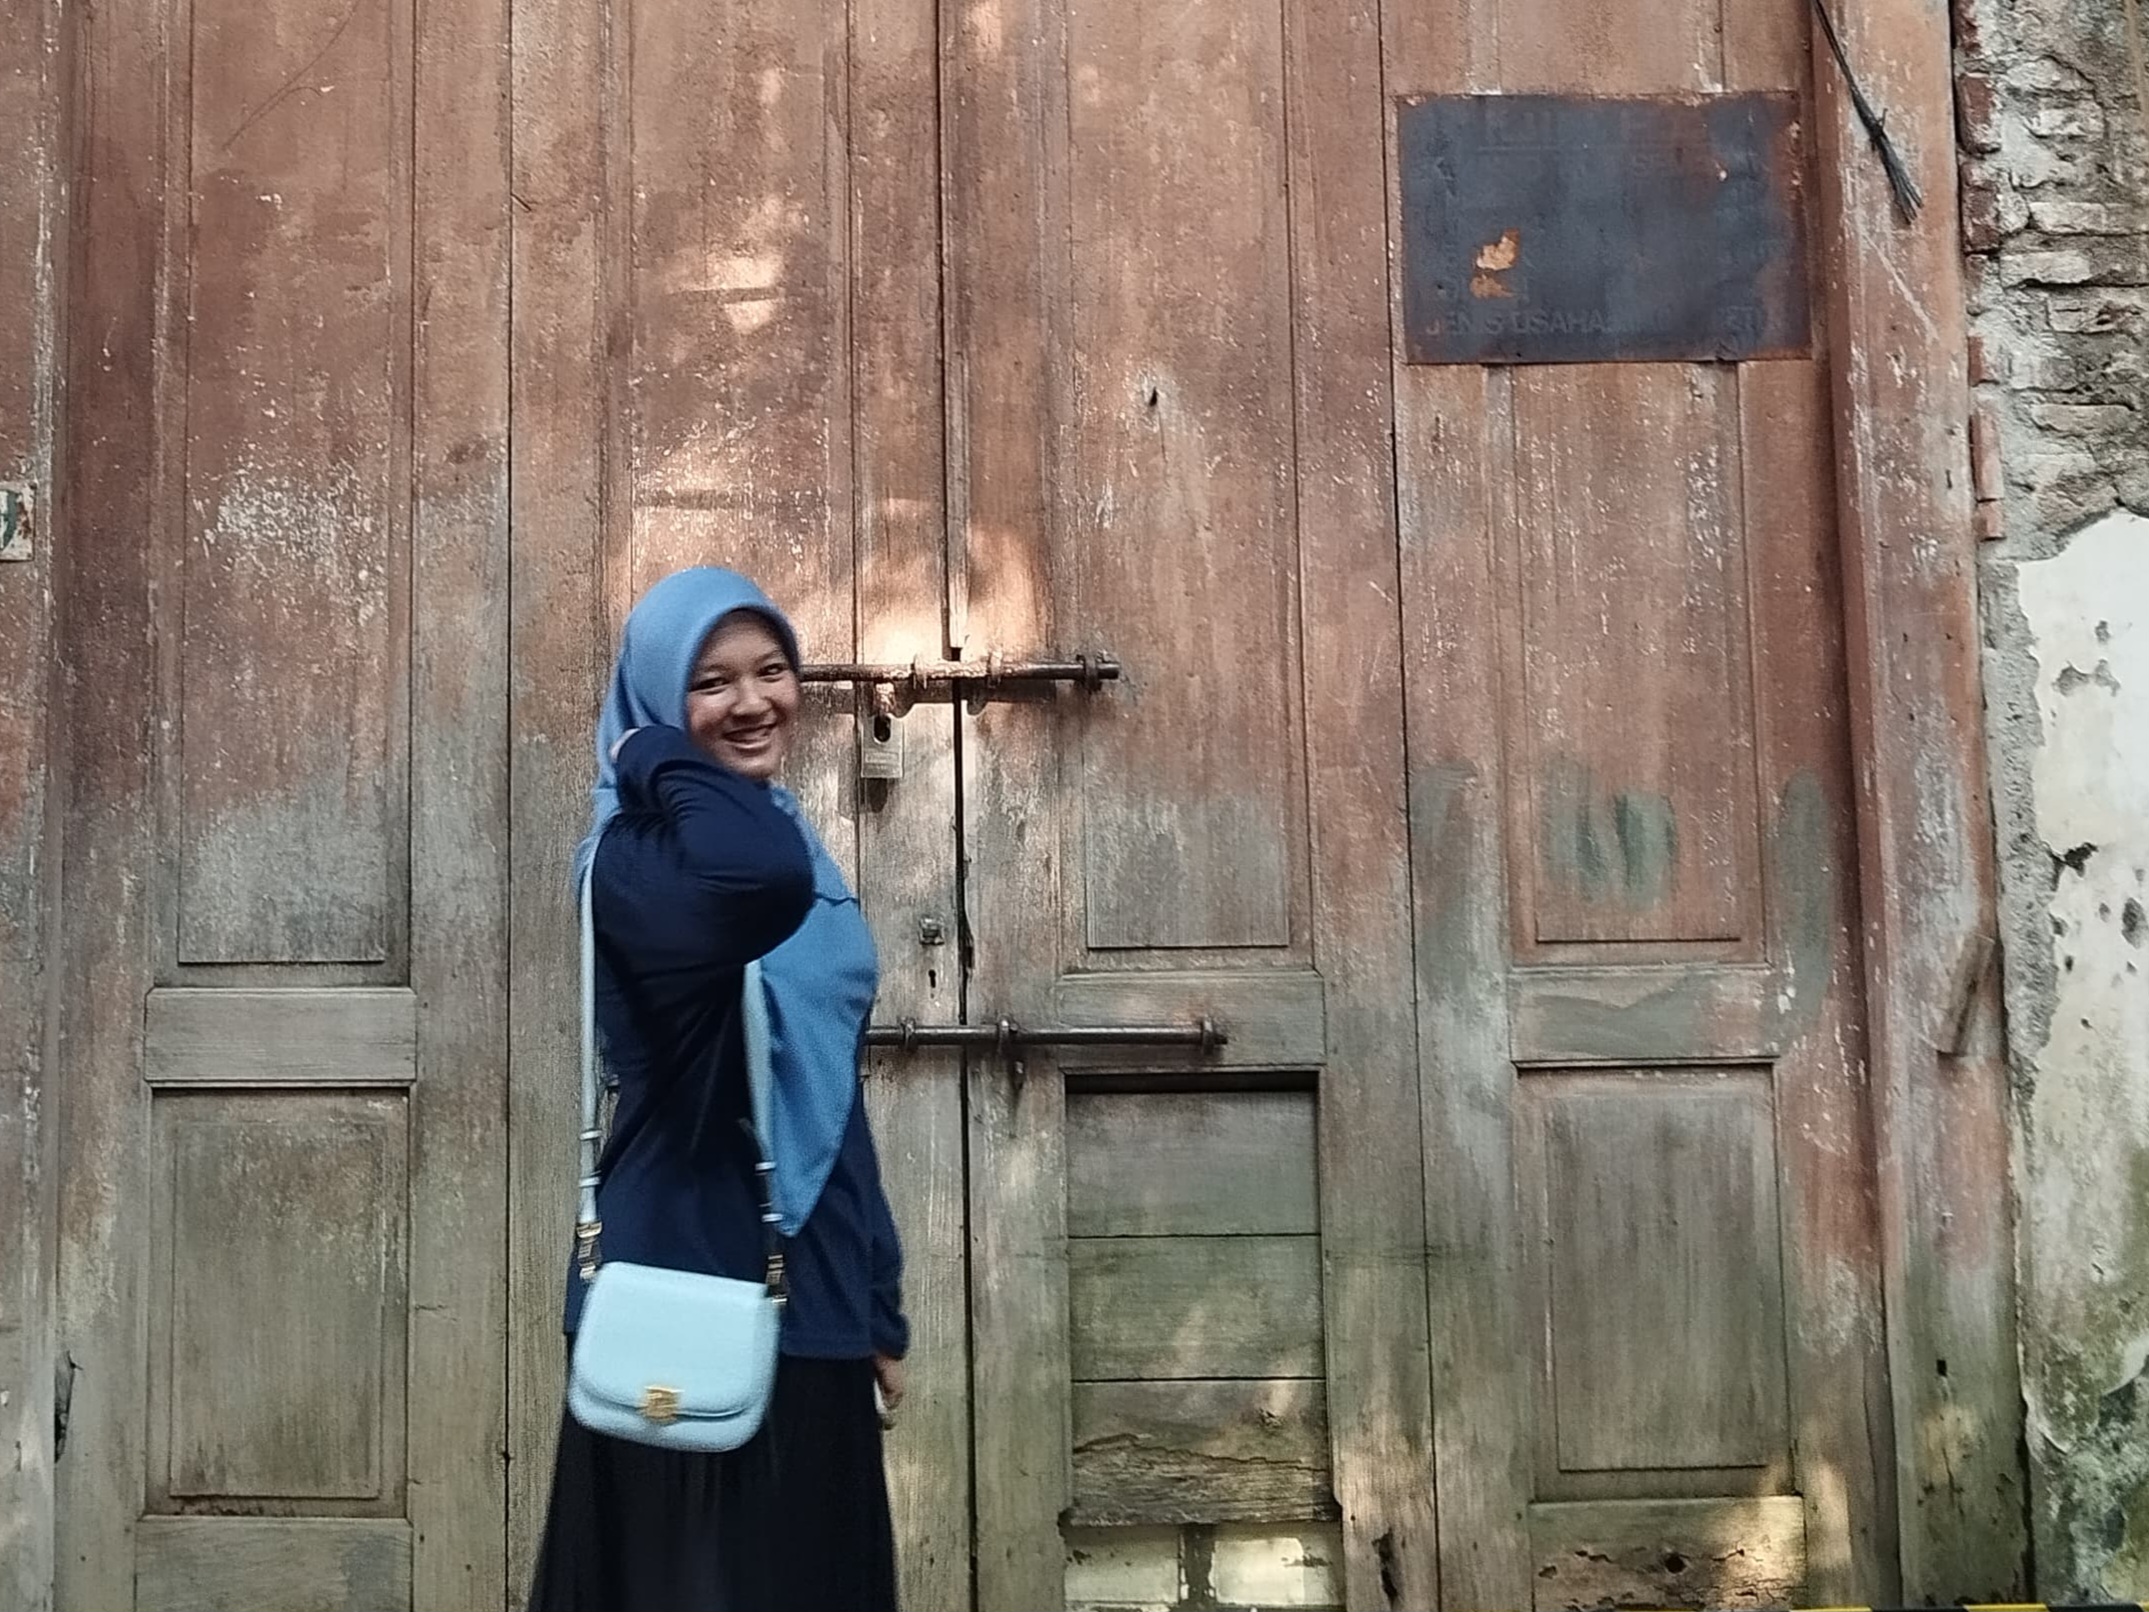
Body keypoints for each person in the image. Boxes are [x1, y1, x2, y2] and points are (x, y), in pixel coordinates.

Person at [527, 566, 909, 1612]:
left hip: (811, 1287)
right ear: (655, 696)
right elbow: (754, 877)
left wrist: (878, 1301)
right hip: (686, 1283)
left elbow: (829, 1094)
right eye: (710, 681)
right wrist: (646, 749)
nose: (753, 702)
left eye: (772, 670)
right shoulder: (637, 864)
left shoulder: (784, 831)